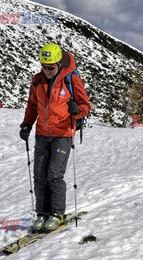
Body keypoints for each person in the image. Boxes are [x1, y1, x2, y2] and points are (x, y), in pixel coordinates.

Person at [19, 43, 91, 231]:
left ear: (59, 63)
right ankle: (42, 214)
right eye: (44, 66)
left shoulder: (71, 80)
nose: (47, 70)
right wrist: (27, 124)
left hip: (63, 134)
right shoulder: (37, 80)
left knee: (54, 176)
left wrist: (77, 111)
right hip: (42, 134)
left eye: (50, 67)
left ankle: (57, 214)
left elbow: (85, 106)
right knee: (39, 176)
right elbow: (32, 106)